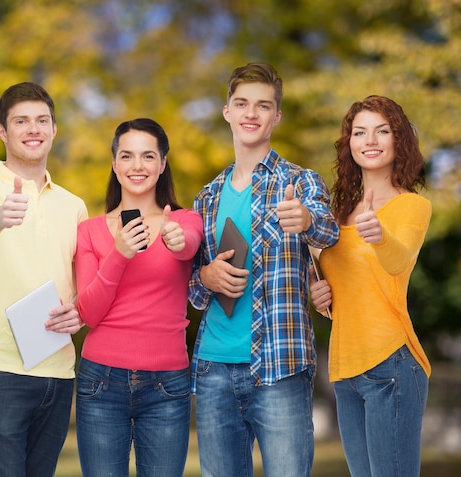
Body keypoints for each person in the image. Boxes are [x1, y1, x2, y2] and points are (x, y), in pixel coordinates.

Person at [188, 62, 340, 477]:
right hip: (215, 368)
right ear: (227, 112)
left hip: (280, 365)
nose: (251, 113)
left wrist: (306, 220)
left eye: (263, 105)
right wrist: (205, 277)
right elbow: (193, 293)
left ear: (276, 116)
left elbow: (330, 231)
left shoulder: (300, 182)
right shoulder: (206, 198)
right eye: (242, 104)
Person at [0, 82, 88, 477]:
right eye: (21, 121)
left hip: (59, 373)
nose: (33, 129)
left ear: (54, 129)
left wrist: (79, 313)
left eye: (42, 120)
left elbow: (83, 286)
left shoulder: (73, 205)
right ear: (2, 131)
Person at [74, 118, 203, 477]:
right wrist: (120, 253)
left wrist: (176, 240)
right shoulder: (89, 231)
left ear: (162, 165)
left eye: (148, 156)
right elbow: (89, 312)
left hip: (167, 382)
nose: (137, 166)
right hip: (100, 381)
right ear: (114, 164)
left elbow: (187, 244)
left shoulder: (185, 220)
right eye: (127, 156)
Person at [310, 95, 431, 477]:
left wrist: (378, 235)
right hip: (345, 372)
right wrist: (319, 296)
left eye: (382, 130)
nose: (370, 140)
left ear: (399, 141)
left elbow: (398, 261)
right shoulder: (336, 214)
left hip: (391, 364)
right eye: (359, 132)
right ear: (350, 144)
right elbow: (344, 288)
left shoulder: (411, 206)